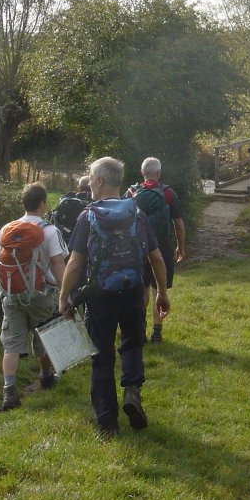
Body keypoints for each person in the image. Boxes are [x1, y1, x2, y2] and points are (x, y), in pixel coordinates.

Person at [58, 157, 170, 438]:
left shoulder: (88, 215)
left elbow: (75, 263)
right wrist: (162, 293)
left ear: (99, 181)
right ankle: (132, 391)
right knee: (132, 345)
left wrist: (63, 296)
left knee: (102, 356)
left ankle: (107, 423)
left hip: (100, 296)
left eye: (91, 179)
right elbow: (155, 257)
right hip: (133, 292)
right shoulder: (137, 214)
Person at [0, 182, 67, 411]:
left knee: (11, 344)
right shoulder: (50, 231)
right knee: (43, 335)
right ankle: (45, 376)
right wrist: (66, 292)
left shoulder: (7, 229)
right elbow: (58, 263)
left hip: (12, 294)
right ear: (42, 203)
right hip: (42, 295)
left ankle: (9, 390)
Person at [126, 157, 186, 344]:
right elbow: (178, 224)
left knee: (141, 290)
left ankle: (140, 329)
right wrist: (180, 247)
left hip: (137, 249)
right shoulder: (168, 193)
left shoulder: (131, 192)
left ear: (142, 172)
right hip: (161, 247)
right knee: (157, 290)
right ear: (159, 173)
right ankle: (157, 333)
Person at [50, 175, 93, 245]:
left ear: (78, 188)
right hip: (84, 244)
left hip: (63, 242)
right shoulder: (95, 203)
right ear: (92, 187)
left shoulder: (66, 199)